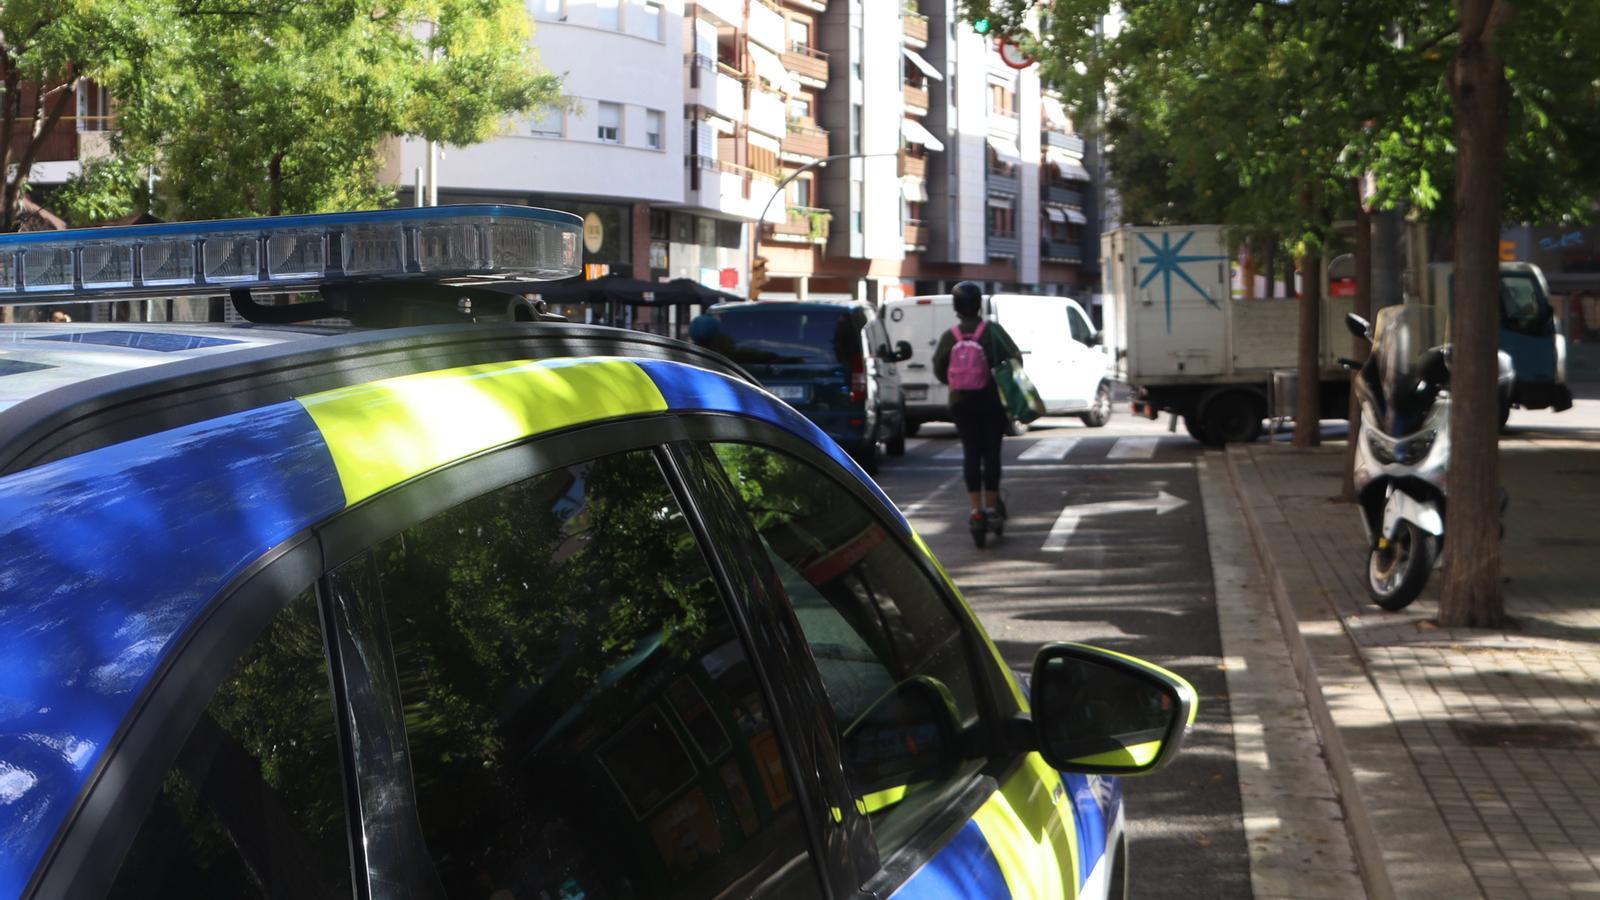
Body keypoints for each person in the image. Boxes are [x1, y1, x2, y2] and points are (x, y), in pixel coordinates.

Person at [933, 281, 1022, 533]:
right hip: (991, 401)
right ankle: (993, 506)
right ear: (979, 304)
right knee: (991, 453)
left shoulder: (951, 336)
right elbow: (1016, 359)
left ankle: (975, 509)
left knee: (971, 453)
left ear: (956, 307)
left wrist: (959, 383)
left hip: (961, 403)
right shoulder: (992, 332)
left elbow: (940, 370)